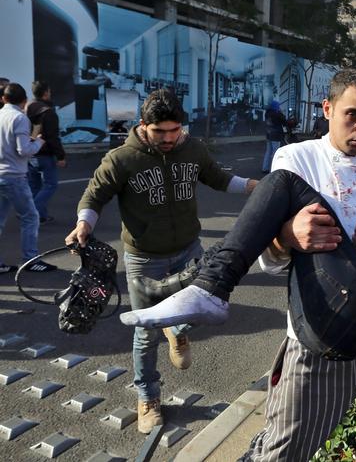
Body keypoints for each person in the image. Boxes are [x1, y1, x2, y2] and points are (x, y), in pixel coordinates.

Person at [125, 69, 356, 460]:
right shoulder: (297, 158)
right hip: (318, 339)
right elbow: (272, 263)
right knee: (281, 453)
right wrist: (286, 237)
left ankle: (206, 285)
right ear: (327, 109)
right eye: (353, 115)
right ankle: (210, 287)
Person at [64, 89, 257, 434]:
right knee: (145, 332)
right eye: (159, 132)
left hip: (189, 250)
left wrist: (256, 187)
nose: (168, 139)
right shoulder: (122, 159)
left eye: (174, 130)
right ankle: (148, 397)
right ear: (143, 125)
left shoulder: (193, 149)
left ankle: (177, 330)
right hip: (143, 259)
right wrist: (83, 224)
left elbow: (219, 178)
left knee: (200, 309)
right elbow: (94, 195)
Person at [0, 83, 57, 274]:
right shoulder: (19, 118)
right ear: (24, 101)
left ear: (4, 99)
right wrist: (39, 141)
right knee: (31, 217)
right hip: (14, 176)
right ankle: (30, 260)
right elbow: (23, 150)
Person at [26, 81, 66, 224]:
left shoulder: (26, 108)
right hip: (44, 154)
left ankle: (40, 216)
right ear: (45, 93)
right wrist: (60, 156)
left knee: (34, 185)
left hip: (29, 153)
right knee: (50, 184)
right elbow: (52, 137)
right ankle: (31, 211)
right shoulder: (48, 112)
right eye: (49, 91)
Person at [262, 100, 285, 173]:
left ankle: (265, 168)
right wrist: (281, 112)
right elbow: (284, 121)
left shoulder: (267, 113)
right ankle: (273, 169)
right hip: (276, 135)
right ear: (276, 106)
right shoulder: (277, 114)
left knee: (268, 152)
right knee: (275, 153)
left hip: (269, 134)